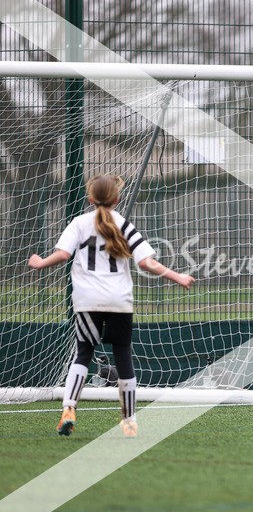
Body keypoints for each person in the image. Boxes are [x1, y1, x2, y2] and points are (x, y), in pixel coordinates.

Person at [28, 174, 195, 438]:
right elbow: (146, 263)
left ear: (90, 198)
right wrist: (178, 276)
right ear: (117, 199)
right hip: (119, 301)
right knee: (123, 356)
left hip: (87, 300)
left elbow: (62, 255)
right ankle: (129, 421)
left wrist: (40, 262)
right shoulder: (124, 225)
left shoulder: (80, 223)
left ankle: (69, 409)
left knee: (83, 354)